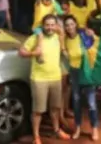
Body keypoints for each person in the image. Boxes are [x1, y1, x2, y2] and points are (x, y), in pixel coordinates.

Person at [18, 14, 70, 144]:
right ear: (43, 26)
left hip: (55, 78)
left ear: (56, 26)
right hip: (39, 79)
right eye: (47, 25)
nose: (50, 27)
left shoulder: (58, 38)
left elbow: (63, 32)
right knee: (38, 111)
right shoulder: (35, 38)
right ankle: (36, 137)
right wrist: (32, 53)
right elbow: (21, 52)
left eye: (52, 25)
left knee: (55, 108)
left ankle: (56, 130)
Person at [60, 15, 99, 141]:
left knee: (91, 103)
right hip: (75, 73)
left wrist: (93, 35)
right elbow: (63, 52)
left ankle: (94, 128)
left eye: (72, 24)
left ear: (76, 24)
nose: (70, 27)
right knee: (76, 102)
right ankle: (77, 128)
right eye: (67, 25)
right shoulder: (65, 39)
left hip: (87, 71)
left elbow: (97, 44)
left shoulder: (83, 35)